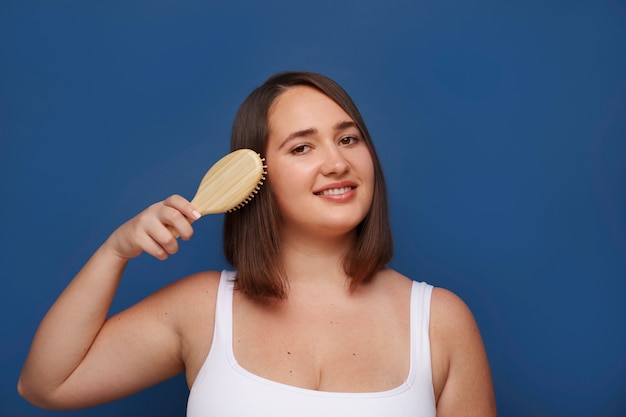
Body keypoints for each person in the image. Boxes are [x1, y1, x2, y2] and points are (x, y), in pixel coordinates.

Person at [18, 71, 496, 416]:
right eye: (302, 147)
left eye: (349, 139)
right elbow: (47, 385)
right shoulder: (203, 308)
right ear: (255, 178)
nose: (336, 163)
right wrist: (114, 252)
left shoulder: (440, 322)